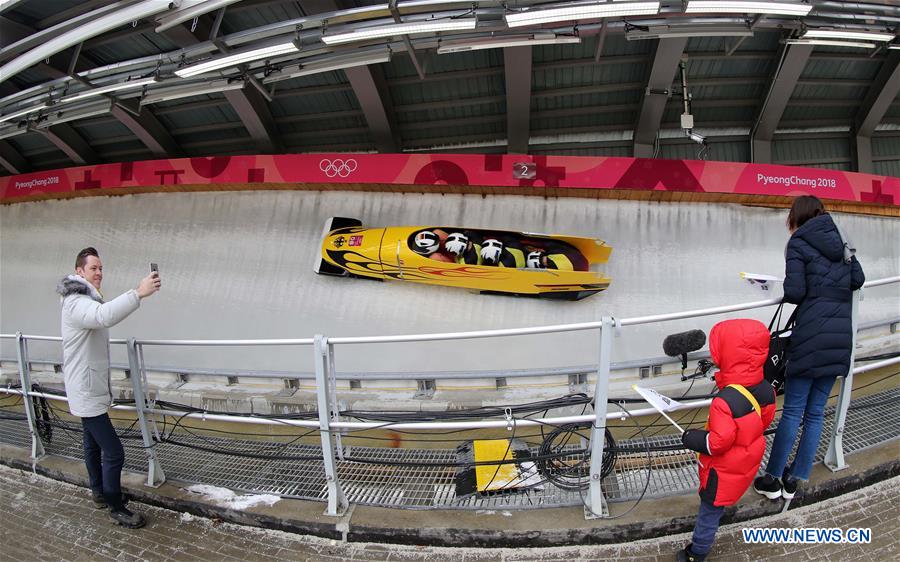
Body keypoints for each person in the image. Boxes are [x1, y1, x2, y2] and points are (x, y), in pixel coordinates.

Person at [754, 196, 865, 501]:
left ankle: (772, 479)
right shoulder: (841, 237)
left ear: (796, 217)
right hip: (839, 337)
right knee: (815, 412)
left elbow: (795, 291)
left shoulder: (798, 243)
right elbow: (858, 279)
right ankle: (795, 478)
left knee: (792, 411)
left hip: (811, 335)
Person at [56, 247, 160, 529]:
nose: (99, 273)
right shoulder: (77, 302)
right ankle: (115, 506)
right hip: (87, 390)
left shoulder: (83, 299)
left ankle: (99, 492)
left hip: (87, 386)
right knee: (114, 452)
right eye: (93, 268)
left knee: (92, 445)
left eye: (101, 268)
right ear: (79, 271)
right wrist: (138, 293)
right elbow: (103, 316)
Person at [678, 318, 776, 562]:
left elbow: (717, 443)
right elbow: (763, 422)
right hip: (746, 460)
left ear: (726, 354)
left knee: (709, 509)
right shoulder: (767, 389)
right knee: (718, 504)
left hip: (722, 470)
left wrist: (690, 437)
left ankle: (697, 552)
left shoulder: (724, 401)